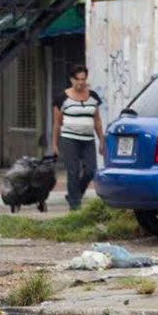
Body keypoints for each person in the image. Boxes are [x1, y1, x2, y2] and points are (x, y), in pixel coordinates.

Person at [52, 65, 105, 211]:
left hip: (88, 140)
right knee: (73, 172)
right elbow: (56, 124)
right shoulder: (62, 98)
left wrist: (102, 141)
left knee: (91, 171)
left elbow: (98, 121)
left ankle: (74, 195)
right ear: (71, 79)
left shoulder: (93, 96)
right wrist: (55, 144)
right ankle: (74, 206)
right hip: (69, 139)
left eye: (83, 79)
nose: (80, 83)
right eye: (77, 79)